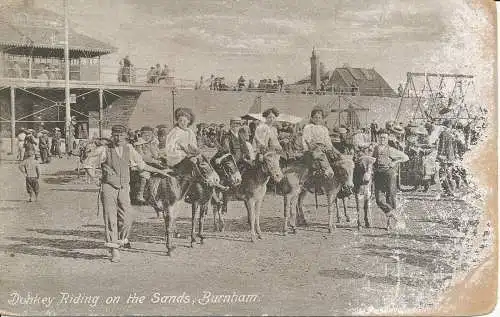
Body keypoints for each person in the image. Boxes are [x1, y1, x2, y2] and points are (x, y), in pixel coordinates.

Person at [85, 125, 171, 263]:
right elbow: (89, 163)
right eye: (116, 135)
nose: (118, 138)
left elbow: (142, 165)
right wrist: (94, 178)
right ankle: (114, 249)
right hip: (108, 187)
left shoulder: (129, 149)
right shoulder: (104, 149)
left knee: (127, 218)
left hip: (124, 187)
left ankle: (118, 240)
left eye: (121, 135)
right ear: (112, 135)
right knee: (110, 218)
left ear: (126, 136)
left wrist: (161, 172)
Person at [372, 129, 409, 220]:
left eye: (384, 138)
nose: (382, 140)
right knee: (379, 200)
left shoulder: (391, 150)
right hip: (378, 174)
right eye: (381, 138)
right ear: (378, 138)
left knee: (391, 197)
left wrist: (395, 162)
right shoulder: (375, 149)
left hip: (388, 174)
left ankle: (390, 222)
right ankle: (393, 213)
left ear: (388, 139)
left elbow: (405, 157)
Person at [301, 107, 342, 181]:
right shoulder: (308, 127)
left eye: (319, 117)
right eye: (315, 117)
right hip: (312, 150)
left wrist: (336, 151)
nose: (318, 119)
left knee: (337, 160)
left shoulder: (324, 129)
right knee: (319, 162)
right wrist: (318, 148)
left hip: (323, 149)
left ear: (322, 118)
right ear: (312, 118)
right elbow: (308, 141)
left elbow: (328, 142)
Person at [134, 126, 161, 204]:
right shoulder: (139, 144)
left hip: (151, 163)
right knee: (144, 175)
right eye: (145, 135)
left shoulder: (151, 144)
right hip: (141, 164)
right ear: (141, 135)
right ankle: (140, 194)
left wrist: (159, 157)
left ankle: (157, 194)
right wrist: (154, 160)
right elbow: (141, 156)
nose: (147, 137)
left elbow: (155, 154)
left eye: (149, 135)